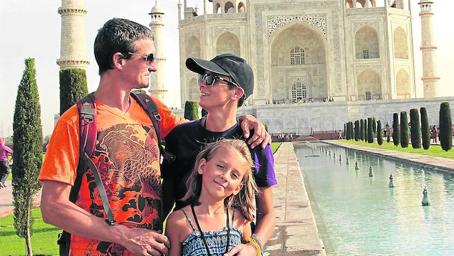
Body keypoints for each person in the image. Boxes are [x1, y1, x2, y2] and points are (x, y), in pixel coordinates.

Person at [39, 18, 269, 256]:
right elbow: (52, 207)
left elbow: (206, 130)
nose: (154, 66)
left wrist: (243, 120)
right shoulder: (76, 122)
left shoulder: (150, 109)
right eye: (147, 58)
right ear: (119, 60)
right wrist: (124, 235)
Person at [163, 54, 277, 255]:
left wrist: (254, 247)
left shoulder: (254, 142)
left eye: (211, 79)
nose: (202, 85)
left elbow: (267, 212)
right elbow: (165, 203)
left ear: (236, 93)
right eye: (202, 78)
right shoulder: (180, 138)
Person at [166, 139, 259, 256]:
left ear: (238, 188)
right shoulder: (177, 221)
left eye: (234, 175)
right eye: (220, 166)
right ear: (202, 166)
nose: (225, 176)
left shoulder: (240, 219)